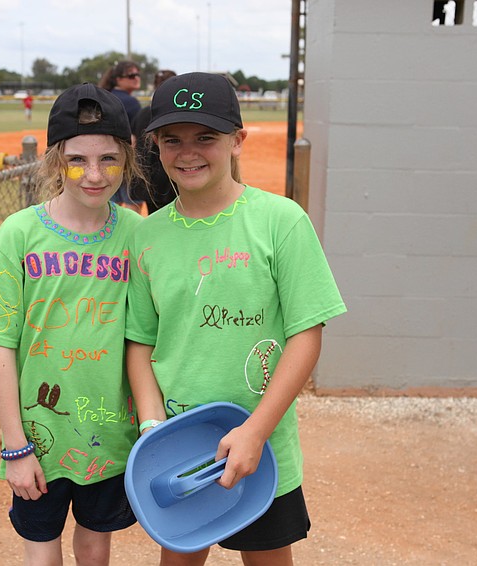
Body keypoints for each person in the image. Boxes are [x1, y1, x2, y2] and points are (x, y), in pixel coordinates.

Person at [125, 72, 346, 566]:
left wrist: (256, 430)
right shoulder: (146, 236)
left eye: (206, 137)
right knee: (179, 557)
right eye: (172, 139)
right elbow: (139, 341)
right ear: (154, 146)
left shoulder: (280, 220)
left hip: (261, 442)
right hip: (179, 445)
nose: (188, 152)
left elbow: (306, 333)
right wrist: (152, 425)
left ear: (237, 140)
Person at [0, 83, 145, 565]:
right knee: (41, 548)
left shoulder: (138, 235)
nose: (95, 174)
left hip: (108, 432)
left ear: (127, 158)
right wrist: (15, 447)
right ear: (55, 160)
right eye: (78, 159)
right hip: (38, 437)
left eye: (109, 159)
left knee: (96, 542)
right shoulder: (19, 235)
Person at [131, 69, 177, 214]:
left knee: (154, 216)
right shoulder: (174, 114)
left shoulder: (144, 112)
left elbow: (133, 142)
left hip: (145, 175)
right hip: (167, 177)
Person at [99, 61, 143, 212]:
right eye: (131, 75)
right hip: (126, 157)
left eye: (138, 74)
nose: (136, 78)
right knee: (132, 204)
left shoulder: (104, 96)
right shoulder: (130, 102)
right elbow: (137, 135)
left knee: (110, 205)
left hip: (104, 157)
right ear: (118, 79)